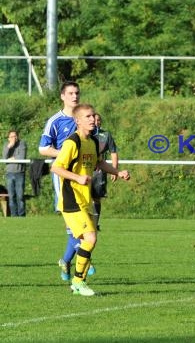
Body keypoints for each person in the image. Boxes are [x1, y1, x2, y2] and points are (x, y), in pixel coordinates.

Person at [51, 103, 130, 296]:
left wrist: (118, 172)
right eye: (88, 116)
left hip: (84, 199)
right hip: (71, 200)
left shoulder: (93, 142)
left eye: (93, 116)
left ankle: (78, 280)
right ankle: (78, 281)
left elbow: (99, 162)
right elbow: (56, 167)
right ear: (78, 121)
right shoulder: (73, 142)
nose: (92, 119)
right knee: (90, 238)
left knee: (88, 241)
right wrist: (77, 177)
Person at [38, 81, 92, 280]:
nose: (74, 96)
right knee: (74, 224)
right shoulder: (55, 121)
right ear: (62, 96)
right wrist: (66, 153)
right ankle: (80, 260)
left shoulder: (84, 119)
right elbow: (43, 149)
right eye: (70, 93)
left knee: (86, 224)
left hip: (84, 178)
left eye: (77, 92)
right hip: (64, 177)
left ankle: (68, 259)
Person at [91, 113, 119, 231]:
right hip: (84, 170)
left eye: (99, 120)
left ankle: (95, 224)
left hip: (99, 172)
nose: (96, 122)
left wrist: (114, 170)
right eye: (94, 119)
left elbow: (113, 152)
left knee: (96, 198)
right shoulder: (84, 135)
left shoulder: (106, 135)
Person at [2, 130, 27, 216]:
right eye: (12, 137)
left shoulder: (22, 144)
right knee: (11, 196)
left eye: (15, 136)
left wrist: (12, 158)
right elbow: (4, 158)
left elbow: (22, 157)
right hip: (9, 174)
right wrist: (9, 147)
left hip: (19, 173)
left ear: (18, 137)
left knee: (20, 196)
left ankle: (21, 215)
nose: (14, 138)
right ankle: (14, 216)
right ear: (8, 138)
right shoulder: (6, 145)